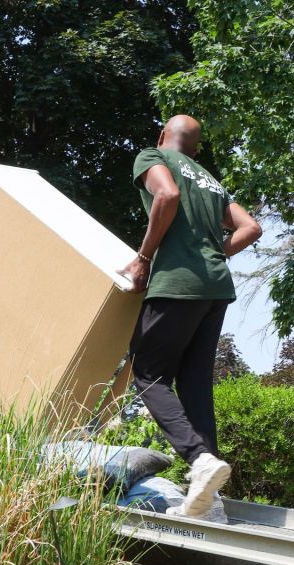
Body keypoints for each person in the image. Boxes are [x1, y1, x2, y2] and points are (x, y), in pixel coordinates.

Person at [119, 115, 262, 518]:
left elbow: (165, 196)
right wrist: (212, 257)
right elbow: (250, 228)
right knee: (195, 382)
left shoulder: (151, 155)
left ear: (163, 136)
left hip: (177, 285)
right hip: (215, 289)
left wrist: (144, 258)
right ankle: (208, 499)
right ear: (196, 150)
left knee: (148, 375)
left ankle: (199, 459)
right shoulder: (211, 181)